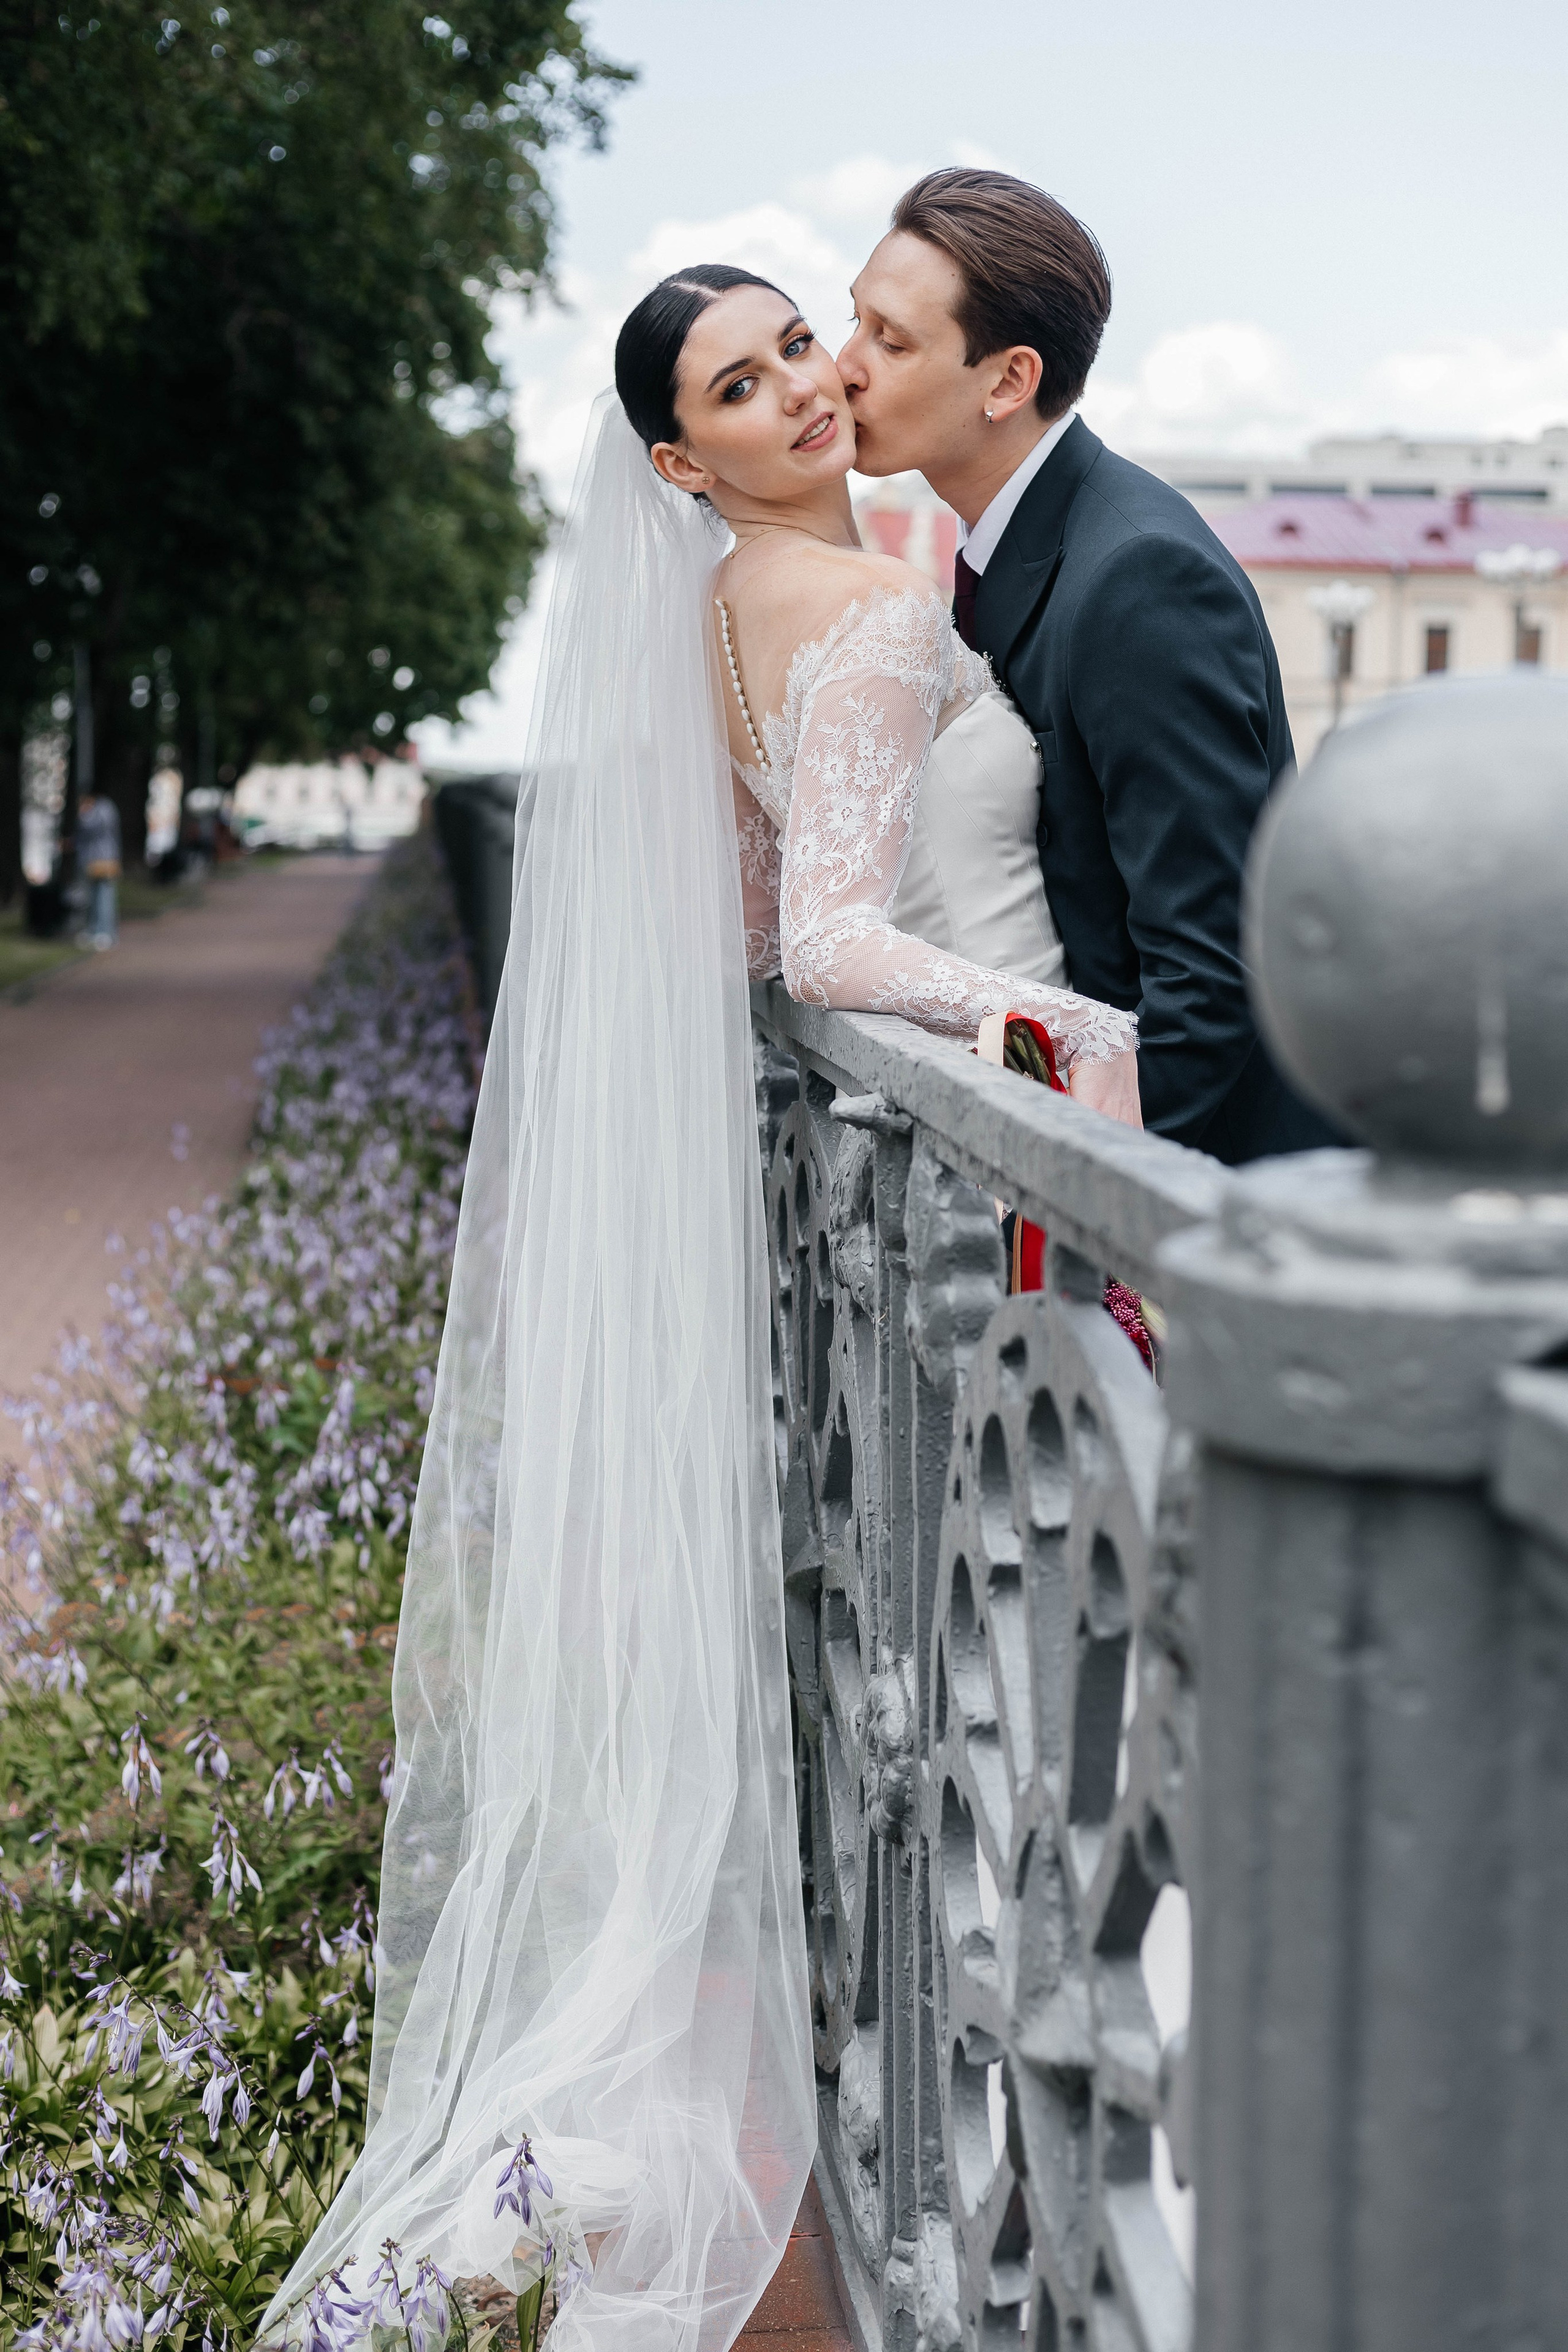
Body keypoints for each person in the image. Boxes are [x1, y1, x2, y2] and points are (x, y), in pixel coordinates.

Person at [261, 265, 1140, 2351]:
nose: (799, 392)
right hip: (952, 1172)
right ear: (681, 459)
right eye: (739, 387)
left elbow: (755, 917)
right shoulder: (830, 610)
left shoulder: (766, 595)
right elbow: (832, 945)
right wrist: (1047, 1014)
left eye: (800, 347)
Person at [839, 168, 1343, 1165]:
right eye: (852, 322)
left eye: (890, 341)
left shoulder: (1138, 578)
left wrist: (1093, 1227)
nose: (842, 368)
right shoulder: (1017, 541)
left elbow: (1209, 969)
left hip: (1194, 1211)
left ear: (1008, 381)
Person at [74, 790, 121, 950]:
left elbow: (92, 828)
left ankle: (105, 932)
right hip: (93, 861)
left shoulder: (103, 809)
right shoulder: (104, 808)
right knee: (92, 898)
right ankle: (94, 930)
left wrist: (84, 815)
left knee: (104, 898)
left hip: (104, 861)